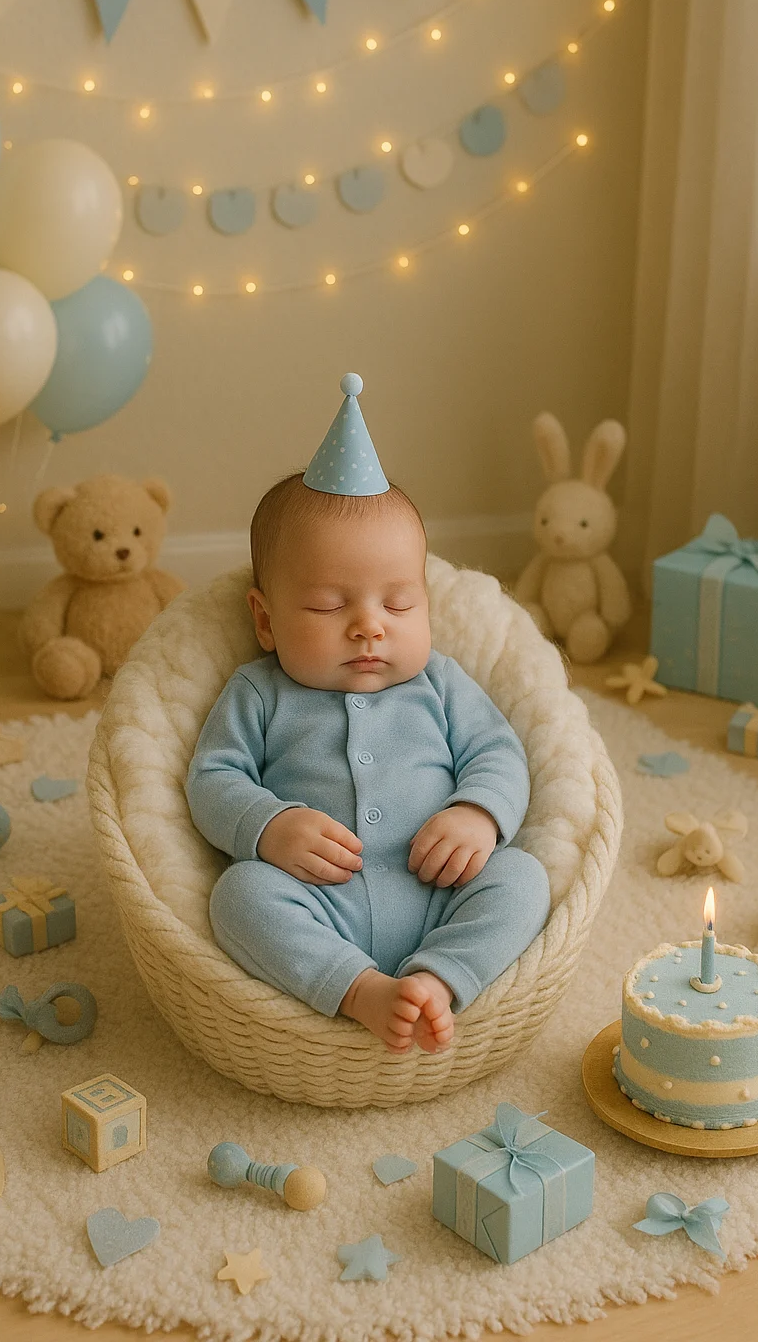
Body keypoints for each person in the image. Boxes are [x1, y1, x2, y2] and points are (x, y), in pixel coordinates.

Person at [186, 375, 550, 1054]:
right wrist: (270, 827)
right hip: (320, 903)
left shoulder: (441, 682)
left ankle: (439, 978)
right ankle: (360, 991)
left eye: (399, 605)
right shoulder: (259, 691)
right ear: (264, 620)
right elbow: (212, 777)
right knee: (236, 897)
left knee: (524, 878)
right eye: (328, 607)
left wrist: (476, 813)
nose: (368, 629)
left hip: (443, 891)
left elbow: (498, 753)